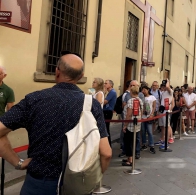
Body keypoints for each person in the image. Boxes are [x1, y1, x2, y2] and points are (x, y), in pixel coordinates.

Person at [0, 54, 112, 194]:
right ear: (81, 76)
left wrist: (18, 162)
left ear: (57, 71)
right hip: (76, 184)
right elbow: (106, 153)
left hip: (38, 183)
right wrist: (93, 179)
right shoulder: (92, 105)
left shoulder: (34, 99)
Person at [123, 80, 145, 159]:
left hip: (130, 125)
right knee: (134, 140)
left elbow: (128, 114)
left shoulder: (130, 101)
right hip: (137, 123)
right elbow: (142, 111)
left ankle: (130, 159)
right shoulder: (139, 100)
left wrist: (125, 125)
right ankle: (132, 157)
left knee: (128, 142)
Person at [155, 79, 174, 149]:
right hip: (162, 110)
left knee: (167, 126)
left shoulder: (170, 91)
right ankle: (162, 139)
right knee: (162, 126)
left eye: (164, 85)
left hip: (166, 111)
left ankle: (166, 142)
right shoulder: (162, 92)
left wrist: (168, 82)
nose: (164, 87)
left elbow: (168, 88)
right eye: (162, 86)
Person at [141, 86, 156, 154]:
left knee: (150, 131)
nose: (143, 91)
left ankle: (151, 145)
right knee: (143, 131)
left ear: (148, 90)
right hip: (143, 116)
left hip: (149, 116)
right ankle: (144, 143)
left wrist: (152, 114)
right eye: (142, 90)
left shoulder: (152, 97)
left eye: (144, 90)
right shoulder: (141, 97)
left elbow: (154, 106)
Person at [103, 80, 117, 146]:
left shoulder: (112, 92)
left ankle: (108, 145)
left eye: (106, 83)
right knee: (105, 128)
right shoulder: (109, 92)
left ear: (110, 85)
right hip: (106, 111)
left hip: (107, 111)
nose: (104, 85)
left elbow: (105, 101)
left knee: (106, 129)